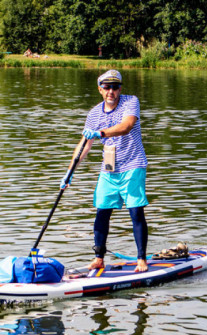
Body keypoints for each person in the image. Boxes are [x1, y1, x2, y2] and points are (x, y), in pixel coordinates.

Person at [61, 69, 150, 273]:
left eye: (115, 87)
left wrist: (100, 132)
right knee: (102, 211)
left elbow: (126, 126)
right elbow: (85, 144)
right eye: (107, 87)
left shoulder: (130, 102)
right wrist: (69, 171)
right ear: (100, 89)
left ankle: (141, 260)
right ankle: (98, 257)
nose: (111, 91)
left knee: (136, 211)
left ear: (120, 88)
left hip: (133, 164)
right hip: (109, 169)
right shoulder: (94, 113)